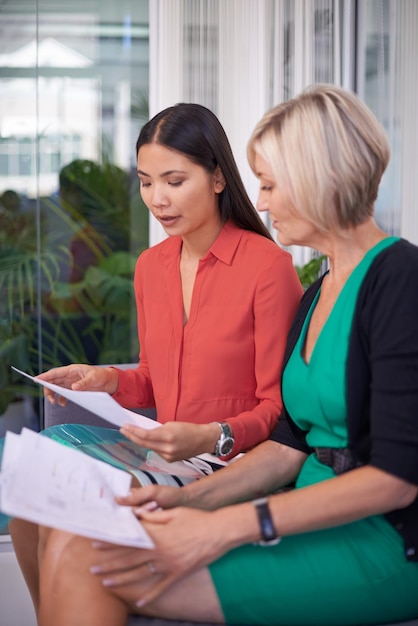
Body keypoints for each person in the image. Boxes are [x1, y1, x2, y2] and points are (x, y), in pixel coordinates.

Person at [21, 84, 418, 626]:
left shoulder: (395, 277)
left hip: (380, 539)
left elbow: (396, 477)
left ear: (320, 178)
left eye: (272, 184)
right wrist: (186, 504)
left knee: (90, 557)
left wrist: (224, 521)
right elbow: (289, 445)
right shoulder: (321, 290)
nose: (261, 200)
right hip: (290, 507)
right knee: (67, 528)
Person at [34, 103, 301, 467]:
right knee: (39, 479)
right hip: (165, 460)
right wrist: (105, 380)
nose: (157, 199)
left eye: (174, 182)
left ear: (218, 178)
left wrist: (214, 435)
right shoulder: (150, 266)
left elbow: (280, 408)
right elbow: (153, 378)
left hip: (237, 466)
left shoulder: (268, 268)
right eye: (146, 182)